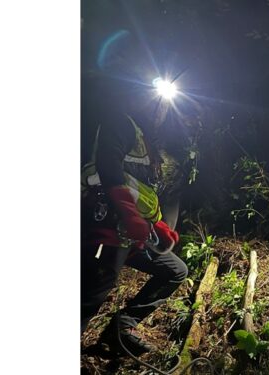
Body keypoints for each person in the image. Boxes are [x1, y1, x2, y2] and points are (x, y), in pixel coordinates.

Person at [81, 30, 188, 356]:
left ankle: (122, 327)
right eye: (153, 99)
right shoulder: (118, 122)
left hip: (133, 233)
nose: (158, 108)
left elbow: (140, 188)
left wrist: (156, 224)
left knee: (175, 271)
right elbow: (109, 169)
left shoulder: (145, 139)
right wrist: (128, 212)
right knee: (95, 290)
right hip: (107, 224)